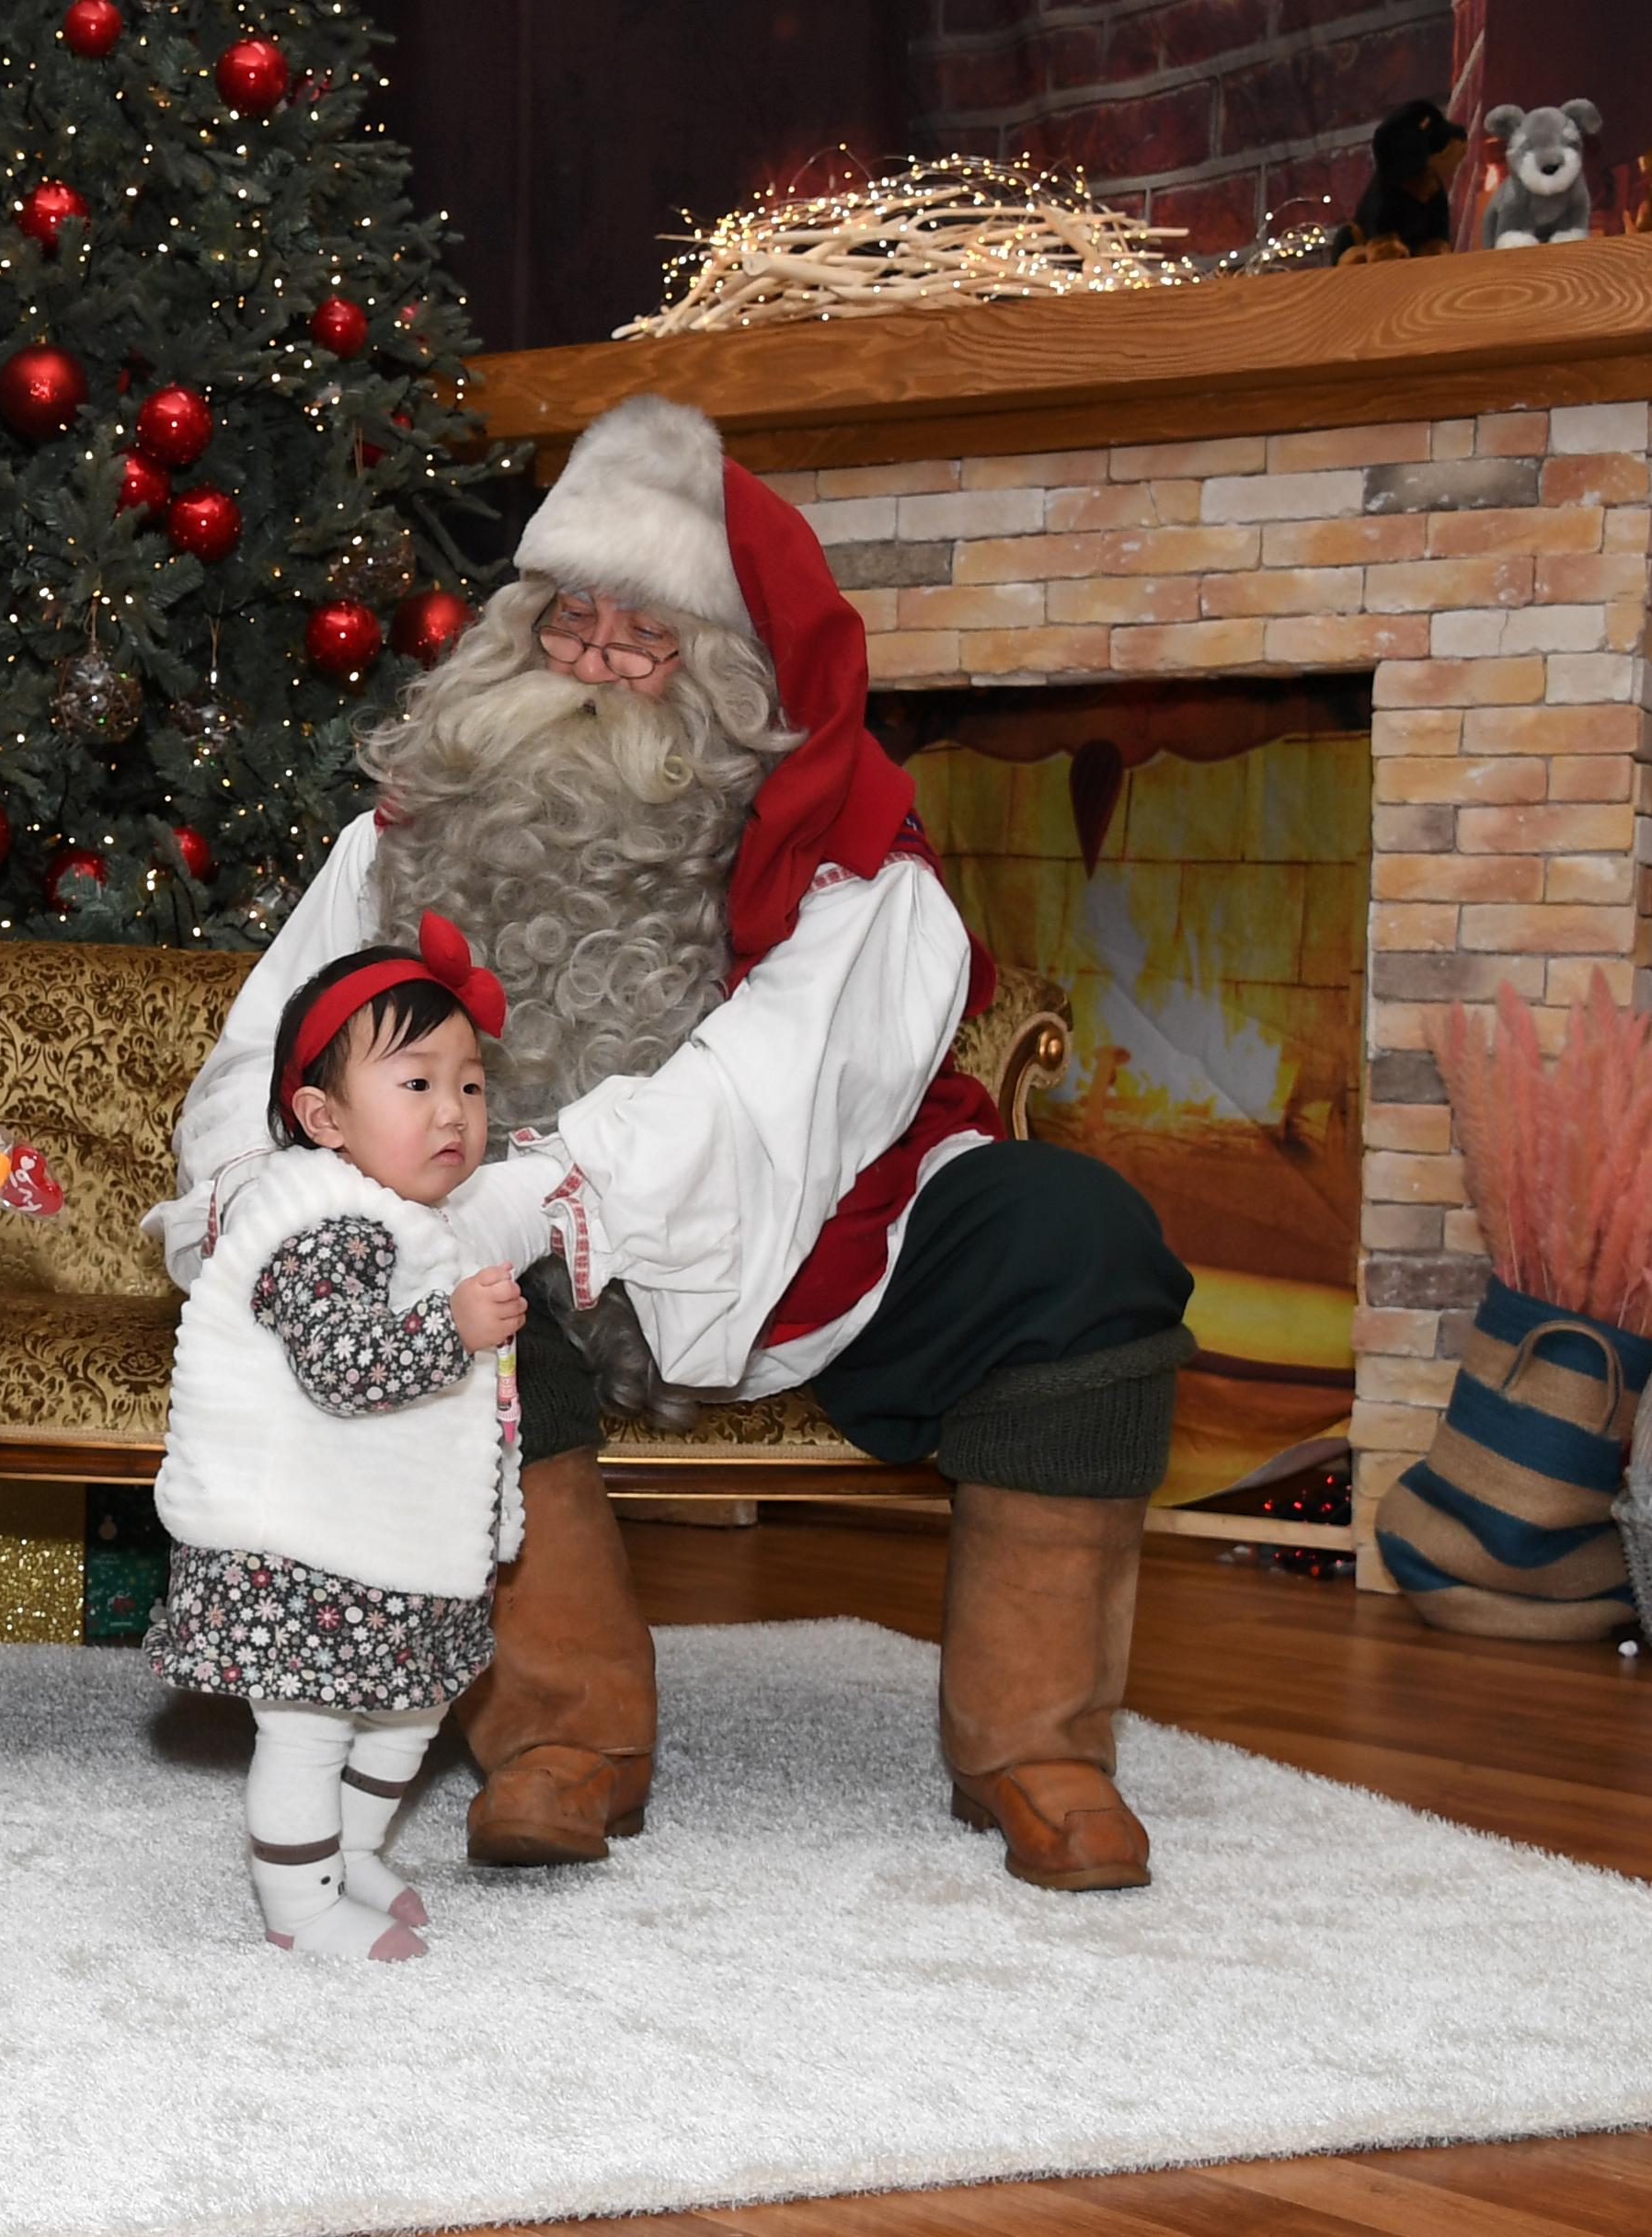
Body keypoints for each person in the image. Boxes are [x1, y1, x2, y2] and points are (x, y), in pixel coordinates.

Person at [150, 395, 1194, 1894]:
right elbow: (275, 1046)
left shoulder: (852, 859)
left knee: (1077, 1240)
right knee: (434, 1271)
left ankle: (1038, 1743)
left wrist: (539, 1189)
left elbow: (762, 1097)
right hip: (509, 1252)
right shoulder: (406, 830)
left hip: (815, 1247)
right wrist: (278, 1203)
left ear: (732, 673)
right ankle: (563, 1733)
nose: (590, 667)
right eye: (567, 625)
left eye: (639, 641)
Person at [144, 918, 531, 1960]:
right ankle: (298, 1901)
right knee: (310, 1726)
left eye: (471, 1085)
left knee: (409, 1712)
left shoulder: (411, 1223)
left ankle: (351, 1853)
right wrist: (451, 1328)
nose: (453, 1110)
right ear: (323, 1115)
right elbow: (343, 1366)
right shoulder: (317, 1222)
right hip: (300, 1547)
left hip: (383, 1540)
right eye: (416, 1083)